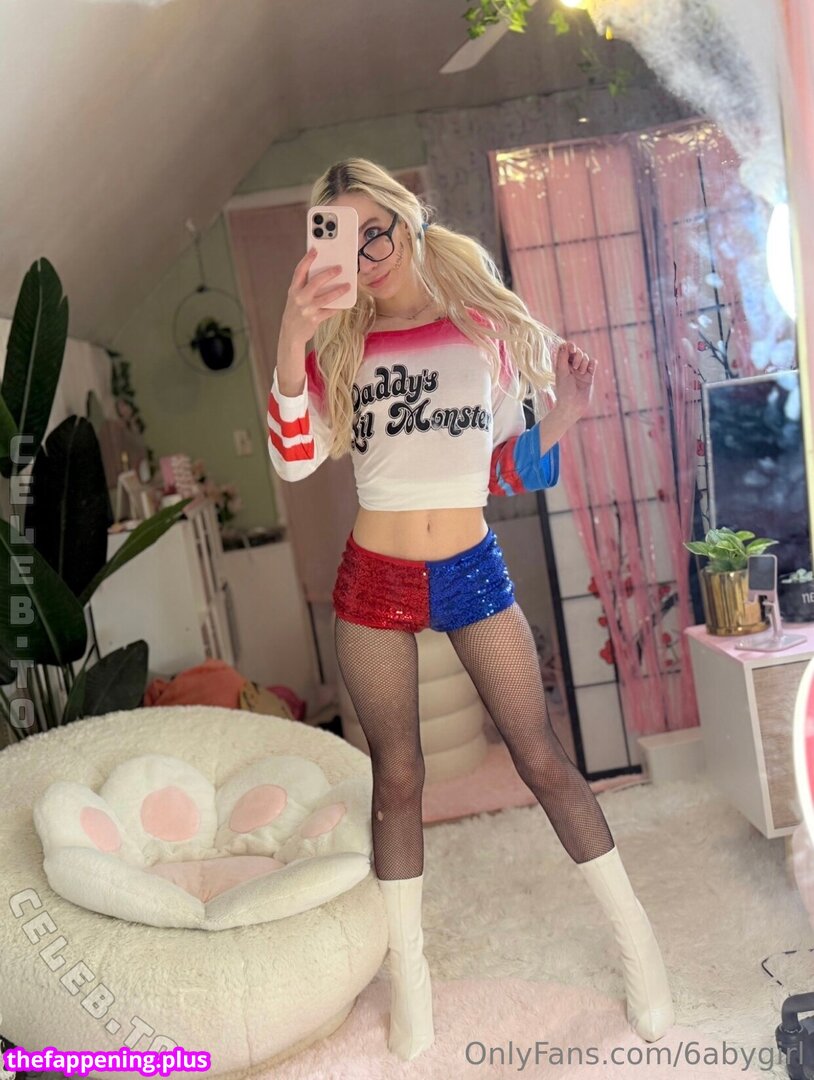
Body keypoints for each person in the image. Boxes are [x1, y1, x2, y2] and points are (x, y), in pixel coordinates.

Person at [267, 158, 674, 1061]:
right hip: (373, 578)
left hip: (470, 568)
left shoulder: (479, 330)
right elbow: (294, 461)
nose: (364, 253)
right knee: (398, 776)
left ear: (406, 219)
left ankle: (637, 943)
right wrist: (294, 334)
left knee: (540, 755)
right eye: (342, 238)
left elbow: (496, 469)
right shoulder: (337, 348)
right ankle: (410, 976)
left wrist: (567, 413)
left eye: (375, 230)